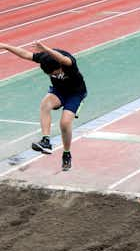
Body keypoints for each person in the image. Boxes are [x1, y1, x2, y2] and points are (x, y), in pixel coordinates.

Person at [0, 41, 87, 171]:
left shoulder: (68, 63)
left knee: (64, 123)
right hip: (59, 92)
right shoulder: (44, 59)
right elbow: (25, 54)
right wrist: (6, 46)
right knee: (45, 104)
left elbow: (62, 58)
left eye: (56, 73)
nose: (55, 75)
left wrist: (46, 48)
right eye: (51, 75)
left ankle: (66, 153)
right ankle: (46, 141)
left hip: (75, 94)